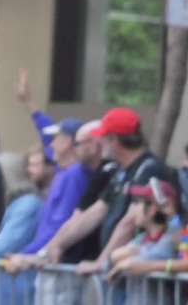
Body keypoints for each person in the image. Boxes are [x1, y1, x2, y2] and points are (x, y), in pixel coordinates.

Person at [45, 108, 174, 273]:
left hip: (134, 271)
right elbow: (93, 213)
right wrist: (55, 245)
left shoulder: (149, 169)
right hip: (121, 270)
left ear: (114, 140)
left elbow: (129, 222)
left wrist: (101, 262)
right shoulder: (120, 171)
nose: (99, 143)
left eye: (103, 138)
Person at [5, 118, 94, 274]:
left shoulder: (74, 173)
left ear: (67, 142)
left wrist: (28, 253)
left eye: (55, 139)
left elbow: (61, 222)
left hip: (60, 265)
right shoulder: (64, 172)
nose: (51, 144)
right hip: (52, 262)